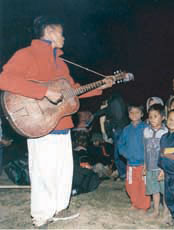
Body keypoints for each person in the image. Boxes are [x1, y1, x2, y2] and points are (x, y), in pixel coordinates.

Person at [0, 16, 115, 227]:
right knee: (43, 169)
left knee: (63, 169)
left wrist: (101, 86)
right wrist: (43, 91)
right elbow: (5, 79)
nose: (64, 37)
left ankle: (60, 208)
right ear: (50, 31)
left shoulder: (61, 63)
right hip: (37, 123)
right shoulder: (26, 54)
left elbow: (72, 92)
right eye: (61, 33)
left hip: (60, 124)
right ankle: (41, 214)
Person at [118, 104, 150, 211]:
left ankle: (144, 206)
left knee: (143, 185)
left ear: (141, 114)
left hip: (143, 163)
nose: (134, 115)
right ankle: (135, 203)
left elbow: (150, 144)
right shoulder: (126, 129)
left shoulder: (146, 128)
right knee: (130, 185)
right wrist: (126, 154)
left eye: (137, 112)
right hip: (131, 163)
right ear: (128, 115)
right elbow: (120, 144)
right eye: (131, 112)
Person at [143, 104, 168, 218]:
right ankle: (156, 210)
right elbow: (145, 149)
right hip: (150, 166)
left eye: (155, 116)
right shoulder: (146, 131)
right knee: (154, 190)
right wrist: (144, 165)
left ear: (163, 117)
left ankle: (166, 211)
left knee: (164, 190)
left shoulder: (166, 132)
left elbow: (166, 152)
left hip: (161, 167)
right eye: (150, 117)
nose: (152, 119)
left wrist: (164, 169)